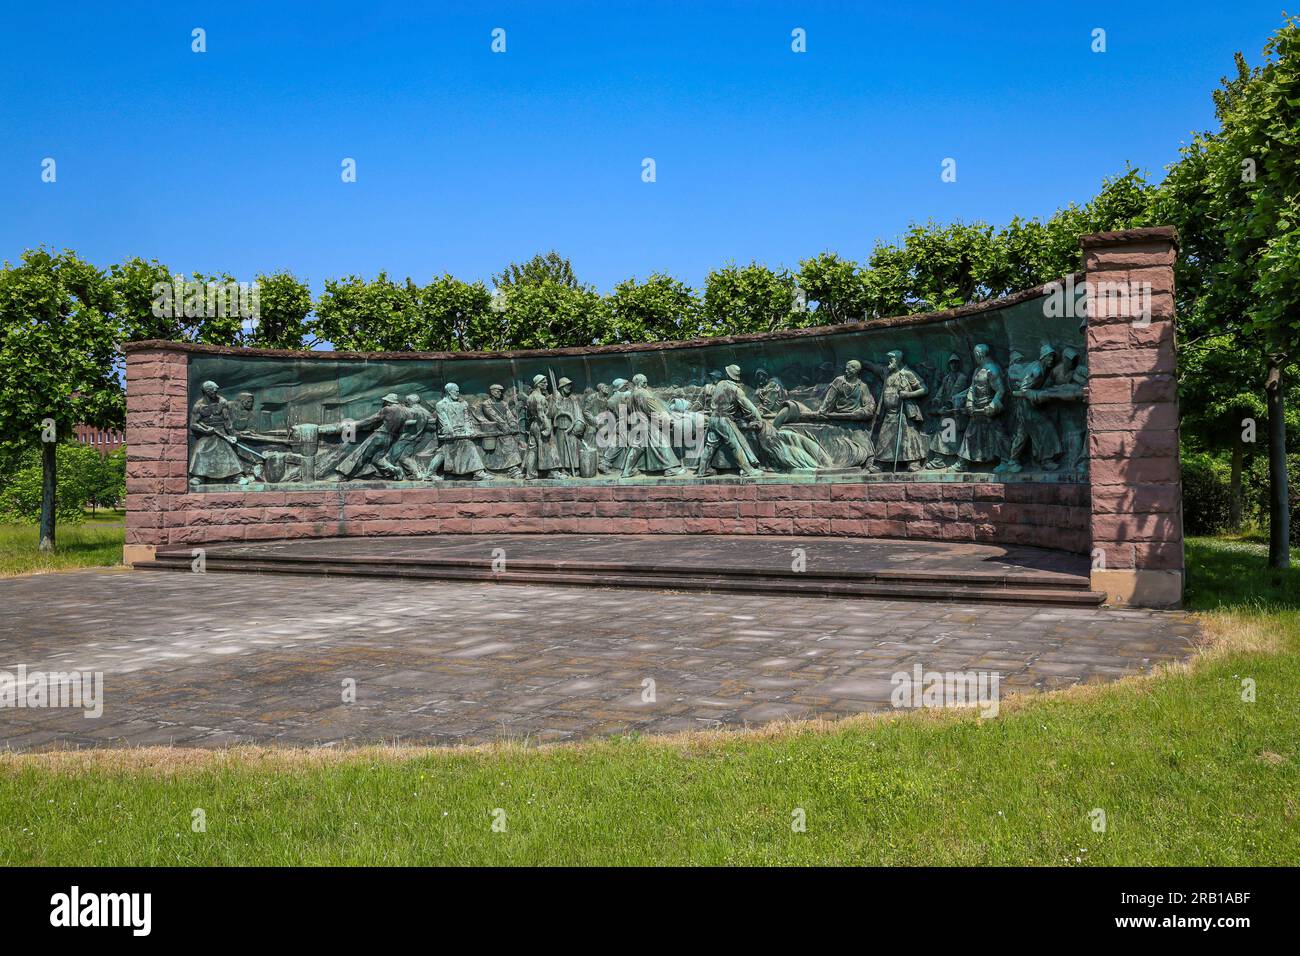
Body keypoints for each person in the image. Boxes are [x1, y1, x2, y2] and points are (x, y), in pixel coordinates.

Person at [999, 344, 1063, 473]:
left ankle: (1013, 461)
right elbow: (1024, 390)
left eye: (1052, 358)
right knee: (1045, 429)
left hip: (1027, 407)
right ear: (1043, 357)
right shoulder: (1037, 371)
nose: (1051, 360)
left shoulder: (1042, 368)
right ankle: (1045, 461)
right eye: (1049, 357)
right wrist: (1037, 395)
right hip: (1027, 408)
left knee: (1023, 434)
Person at [696, 365, 763, 478]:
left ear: (727, 374)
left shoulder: (719, 384)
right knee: (735, 444)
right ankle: (748, 470)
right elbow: (749, 407)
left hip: (713, 419)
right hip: (724, 420)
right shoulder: (736, 390)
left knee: (710, 445)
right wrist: (758, 419)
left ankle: (702, 470)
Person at [954, 344, 1007, 471]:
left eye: (975, 354)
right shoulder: (978, 370)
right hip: (976, 410)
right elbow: (972, 388)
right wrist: (969, 403)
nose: (975, 356)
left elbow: (1000, 390)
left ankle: (1006, 461)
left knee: (997, 435)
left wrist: (993, 405)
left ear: (979, 354)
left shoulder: (992, 370)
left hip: (987, 410)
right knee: (970, 435)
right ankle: (963, 463)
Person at [873, 351, 929, 472]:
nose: (889, 361)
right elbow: (873, 368)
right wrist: (862, 363)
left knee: (908, 436)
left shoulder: (908, 374)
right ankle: (881, 463)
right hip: (889, 412)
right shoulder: (886, 373)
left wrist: (908, 394)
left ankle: (913, 462)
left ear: (898, 360)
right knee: (885, 437)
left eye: (891, 359)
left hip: (904, 412)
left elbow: (924, 389)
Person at [333, 393, 410, 480]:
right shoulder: (404, 412)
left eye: (385, 401)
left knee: (360, 455)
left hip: (380, 435)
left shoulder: (387, 409)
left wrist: (354, 425)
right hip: (391, 438)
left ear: (388, 401)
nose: (384, 402)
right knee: (377, 460)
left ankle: (344, 476)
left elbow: (371, 420)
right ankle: (395, 470)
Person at [621, 373, 685, 477]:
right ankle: (670, 469)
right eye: (644, 382)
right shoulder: (643, 393)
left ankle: (626, 471)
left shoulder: (632, 394)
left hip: (637, 424)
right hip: (647, 424)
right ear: (639, 383)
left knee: (637, 448)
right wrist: (666, 417)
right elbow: (653, 407)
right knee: (662, 443)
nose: (646, 384)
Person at [188, 380, 245, 486]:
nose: (215, 393)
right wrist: (205, 430)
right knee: (200, 450)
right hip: (207, 433)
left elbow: (227, 421)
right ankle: (199, 476)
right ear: (206, 391)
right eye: (212, 391)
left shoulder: (222, 402)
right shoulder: (198, 406)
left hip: (221, 432)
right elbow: (193, 424)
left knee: (227, 450)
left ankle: (237, 476)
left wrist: (232, 435)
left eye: (216, 391)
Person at [924, 353, 969, 468]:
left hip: (956, 412)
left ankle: (948, 461)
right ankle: (941, 459)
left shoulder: (962, 377)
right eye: (951, 363)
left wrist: (947, 406)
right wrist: (936, 399)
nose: (953, 365)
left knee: (950, 436)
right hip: (948, 413)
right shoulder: (947, 378)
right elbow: (941, 390)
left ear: (958, 364)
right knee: (944, 435)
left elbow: (955, 392)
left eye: (955, 362)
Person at [475, 383, 523, 478]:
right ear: (492, 392)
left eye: (501, 391)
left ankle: (513, 468)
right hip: (495, 430)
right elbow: (494, 416)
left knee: (511, 443)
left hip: (506, 430)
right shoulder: (486, 404)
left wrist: (513, 425)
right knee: (508, 443)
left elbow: (509, 416)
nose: (500, 393)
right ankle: (512, 469)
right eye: (498, 391)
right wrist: (504, 426)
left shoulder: (503, 403)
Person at [524, 374, 563, 479]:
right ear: (538, 384)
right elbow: (542, 415)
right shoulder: (540, 397)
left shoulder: (530, 397)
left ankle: (530, 473)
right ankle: (553, 472)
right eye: (544, 382)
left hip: (533, 425)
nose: (546, 384)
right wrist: (548, 427)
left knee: (532, 449)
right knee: (550, 447)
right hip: (542, 424)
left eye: (546, 382)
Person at [551, 376, 587, 478]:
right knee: (561, 449)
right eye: (567, 385)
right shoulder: (555, 399)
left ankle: (574, 468)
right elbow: (551, 413)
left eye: (570, 385)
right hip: (559, 428)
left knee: (573, 448)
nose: (569, 387)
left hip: (571, 427)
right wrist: (555, 401)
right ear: (562, 387)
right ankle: (562, 469)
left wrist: (578, 426)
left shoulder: (573, 399)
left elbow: (578, 413)